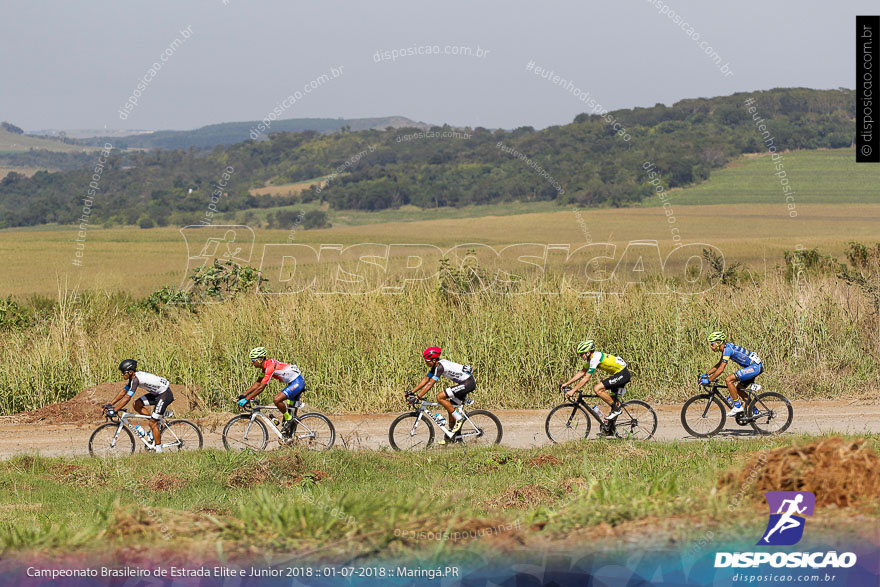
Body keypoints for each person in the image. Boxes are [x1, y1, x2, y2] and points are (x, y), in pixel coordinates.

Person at [407, 347, 475, 445]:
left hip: (467, 383)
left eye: (427, 361)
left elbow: (430, 384)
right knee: (450, 408)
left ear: (434, 360)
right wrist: (412, 392)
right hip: (464, 383)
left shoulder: (440, 367)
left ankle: (459, 419)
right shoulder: (436, 365)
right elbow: (426, 379)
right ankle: (451, 437)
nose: (425, 363)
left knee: (440, 397)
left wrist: (418, 397)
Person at [104, 359, 174, 453]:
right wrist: (111, 404)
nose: (122, 374)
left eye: (123, 372)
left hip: (164, 394)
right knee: (136, 404)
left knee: (152, 423)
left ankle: (159, 451)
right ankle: (157, 420)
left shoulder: (136, 379)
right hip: (157, 393)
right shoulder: (133, 378)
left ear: (130, 372)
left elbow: (127, 397)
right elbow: (123, 392)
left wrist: (115, 410)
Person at [560, 340, 630, 434]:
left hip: (622, 374)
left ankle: (617, 410)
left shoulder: (595, 358)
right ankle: (610, 429)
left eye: (582, 354)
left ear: (588, 353)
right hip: (618, 374)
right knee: (614, 401)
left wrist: (573, 390)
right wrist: (567, 383)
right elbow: (581, 372)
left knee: (597, 388)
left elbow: (586, 378)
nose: (581, 356)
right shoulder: (591, 359)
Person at [239, 347, 305, 434]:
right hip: (293, 383)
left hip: (297, 382)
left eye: (253, 360)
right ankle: (291, 440)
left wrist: (247, 399)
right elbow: (258, 383)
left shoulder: (270, 368)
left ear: (260, 359)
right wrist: (244, 395)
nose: (252, 363)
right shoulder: (265, 367)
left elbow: (261, 388)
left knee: (277, 399)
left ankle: (289, 419)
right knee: (290, 413)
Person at [700, 331, 763, 416]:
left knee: (729, 379)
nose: (711, 347)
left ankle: (737, 406)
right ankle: (755, 411)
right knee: (739, 390)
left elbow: (721, 369)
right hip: (753, 367)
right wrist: (706, 374)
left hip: (755, 367)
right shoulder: (726, 348)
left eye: (712, 344)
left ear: (719, 343)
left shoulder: (728, 349)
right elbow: (719, 365)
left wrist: (709, 380)